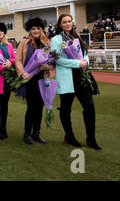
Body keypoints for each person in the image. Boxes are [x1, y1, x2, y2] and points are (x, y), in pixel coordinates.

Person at [51, 14, 101, 150]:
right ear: (60, 24)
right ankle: (69, 136)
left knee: (90, 107)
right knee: (66, 108)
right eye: (65, 22)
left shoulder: (77, 36)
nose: (68, 24)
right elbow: (58, 59)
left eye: (70, 21)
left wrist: (85, 61)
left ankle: (91, 138)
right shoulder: (56, 39)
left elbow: (84, 53)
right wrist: (77, 62)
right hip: (67, 77)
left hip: (81, 76)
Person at [15, 18, 53, 145]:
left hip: (43, 79)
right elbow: (18, 60)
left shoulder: (47, 43)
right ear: (30, 30)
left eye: (38, 28)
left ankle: (36, 133)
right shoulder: (24, 43)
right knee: (31, 107)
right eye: (33, 29)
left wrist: (48, 67)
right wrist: (22, 73)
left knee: (40, 107)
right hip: (29, 79)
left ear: (41, 29)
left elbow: (52, 62)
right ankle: (27, 134)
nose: (36, 31)